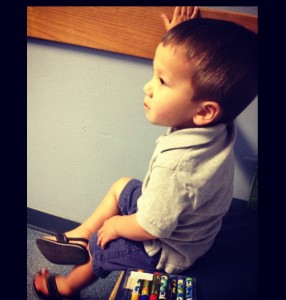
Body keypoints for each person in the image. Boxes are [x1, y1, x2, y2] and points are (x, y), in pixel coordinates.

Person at [33, 6, 257, 299]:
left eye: (162, 81)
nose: (148, 87)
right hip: (185, 223)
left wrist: (115, 226)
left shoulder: (176, 167)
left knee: (104, 246)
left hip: (167, 249)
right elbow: (213, 87)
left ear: (204, 111)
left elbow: (152, 226)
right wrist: (177, 41)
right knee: (122, 186)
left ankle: (65, 287)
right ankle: (81, 234)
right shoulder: (219, 124)